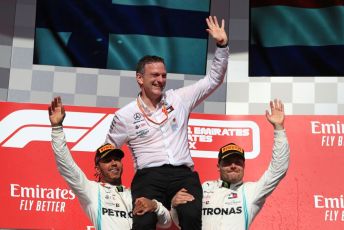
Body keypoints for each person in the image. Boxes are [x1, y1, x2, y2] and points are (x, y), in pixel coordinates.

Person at [105, 15, 229, 230]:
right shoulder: (125, 115)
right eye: (154, 75)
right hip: (148, 178)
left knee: (190, 215)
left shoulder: (179, 99)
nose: (160, 80)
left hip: (182, 175)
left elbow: (213, 80)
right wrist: (110, 188)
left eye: (163, 75)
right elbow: (108, 150)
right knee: (143, 222)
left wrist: (222, 45)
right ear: (139, 78)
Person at [48, 96, 172, 230]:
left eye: (116, 159)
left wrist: (155, 206)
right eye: (107, 160)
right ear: (98, 169)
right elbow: (66, 166)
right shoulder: (91, 190)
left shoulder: (135, 194)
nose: (113, 163)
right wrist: (57, 128)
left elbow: (166, 223)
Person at [172, 99, 290, 230]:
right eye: (228, 162)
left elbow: (278, 169)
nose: (233, 165)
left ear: (244, 166)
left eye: (238, 162)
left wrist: (279, 129)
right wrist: (174, 206)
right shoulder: (204, 189)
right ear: (219, 166)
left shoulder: (251, 191)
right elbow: (183, 223)